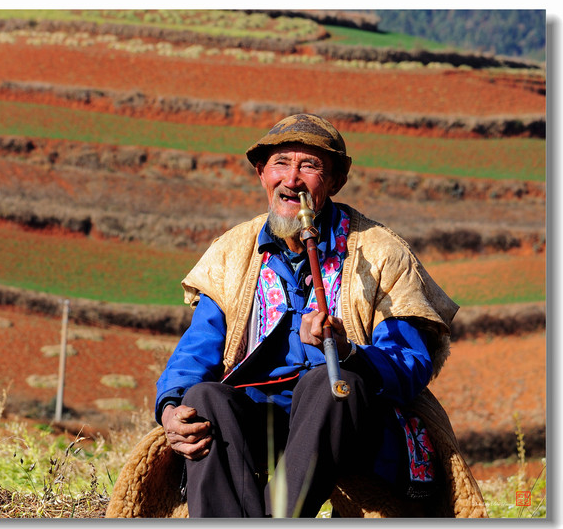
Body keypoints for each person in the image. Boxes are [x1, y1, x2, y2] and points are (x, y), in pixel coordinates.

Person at [154, 113, 459, 518]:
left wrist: (349, 353)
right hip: (258, 418)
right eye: (281, 164)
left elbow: (410, 361)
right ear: (262, 174)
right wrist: (171, 406)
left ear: (334, 182)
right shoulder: (231, 253)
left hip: (344, 422)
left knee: (331, 385)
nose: (292, 180)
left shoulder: (381, 252)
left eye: (310, 166)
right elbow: (197, 352)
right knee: (204, 398)